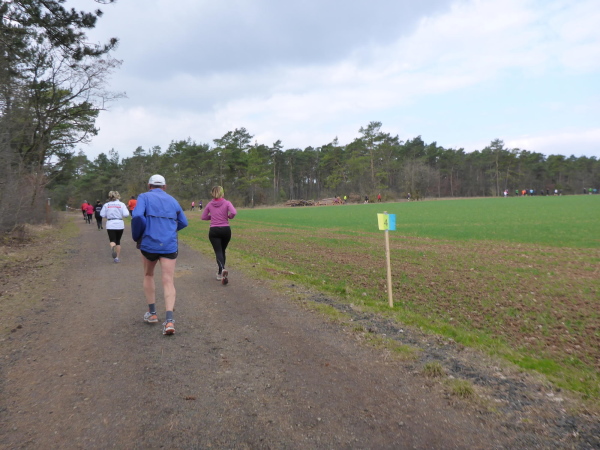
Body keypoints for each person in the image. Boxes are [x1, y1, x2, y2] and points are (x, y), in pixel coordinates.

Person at [132, 174, 188, 336]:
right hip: (169, 244)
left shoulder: (144, 197)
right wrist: (169, 231)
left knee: (148, 275)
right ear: (165, 187)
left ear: (149, 186)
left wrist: (139, 234)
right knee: (168, 280)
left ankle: (152, 314)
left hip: (149, 244)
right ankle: (169, 321)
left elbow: (137, 216)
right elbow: (183, 222)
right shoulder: (172, 200)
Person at [201, 186, 237, 285]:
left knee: (218, 251)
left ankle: (222, 270)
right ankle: (221, 271)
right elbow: (234, 212)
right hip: (226, 230)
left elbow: (203, 217)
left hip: (214, 230)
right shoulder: (227, 203)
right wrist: (229, 216)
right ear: (222, 193)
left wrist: (212, 217)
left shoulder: (210, 204)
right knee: (222, 250)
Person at [100, 191, 129, 263]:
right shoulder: (121, 204)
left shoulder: (106, 205)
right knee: (118, 241)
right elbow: (126, 214)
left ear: (109, 196)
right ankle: (117, 258)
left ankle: (112, 246)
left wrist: (107, 215)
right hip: (119, 223)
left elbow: (102, 214)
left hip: (110, 224)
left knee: (112, 240)